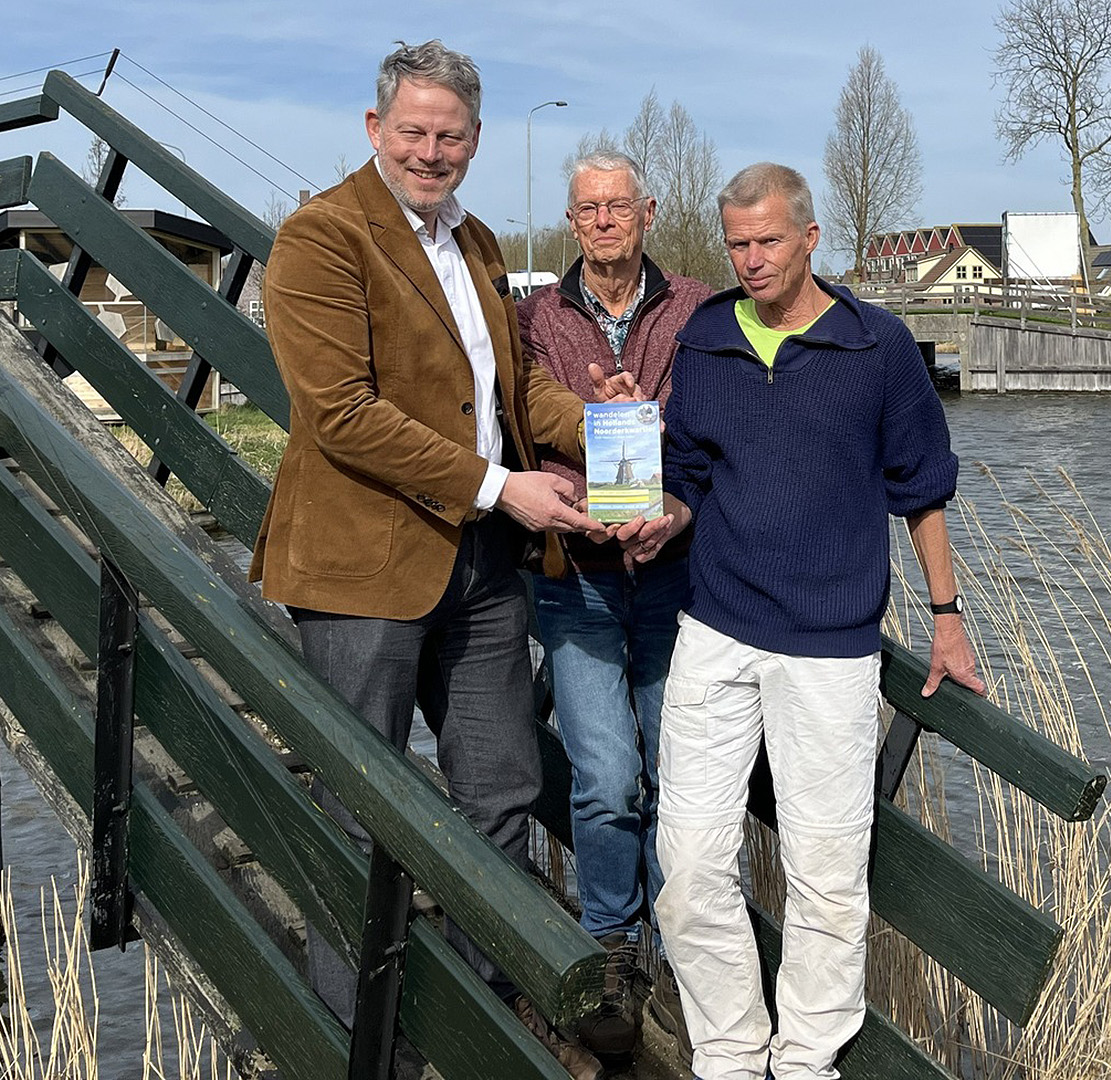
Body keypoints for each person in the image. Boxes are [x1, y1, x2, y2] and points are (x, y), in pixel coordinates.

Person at [250, 39, 632, 1080]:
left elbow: (508, 400)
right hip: (362, 571)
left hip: (480, 565)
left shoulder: (481, 244)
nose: (430, 151)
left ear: (473, 142)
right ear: (376, 131)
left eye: (450, 135)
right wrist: (502, 486)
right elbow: (342, 416)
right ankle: (353, 1039)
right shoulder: (321, 238)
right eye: (413, 132)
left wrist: (599, 424)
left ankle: (476, 1009)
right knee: (358, 804)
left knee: (500, 789)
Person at [614, 163, 986, 1080]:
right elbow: (690, 474)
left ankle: (807, 1061)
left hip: (830, 649)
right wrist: (665, 513)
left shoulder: (878, 347)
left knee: (826, 877)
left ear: (810, 237)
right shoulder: (703, 341)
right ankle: (731, 1055)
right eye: (736, 243)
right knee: (692, 865)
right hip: (716, 630)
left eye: (767, 240)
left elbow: (923, 491)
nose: (750, 258)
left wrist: (946, 616)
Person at [516, 150, 715, 1060]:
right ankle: (612, 944)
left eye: (618, 205)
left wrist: (673, 498)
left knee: (679, 780)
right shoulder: (537, 319)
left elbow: (719, 428)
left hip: (676, 580)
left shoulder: (697, 309)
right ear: (571, 221)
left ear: (647, 212)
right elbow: (524, 422)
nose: (602, 221)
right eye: (587, 208)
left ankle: (680, 953)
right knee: (603, 777)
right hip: (580, 579)